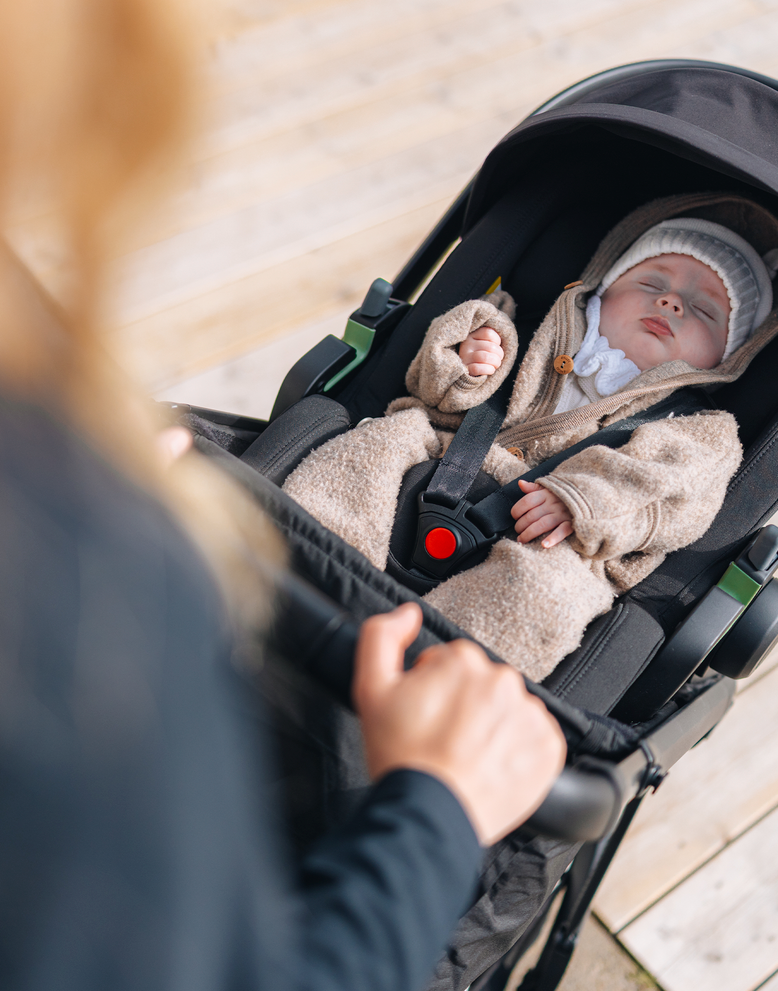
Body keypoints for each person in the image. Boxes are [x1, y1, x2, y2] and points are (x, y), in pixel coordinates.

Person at [0, 2, 565, 990]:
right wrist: (435, 814)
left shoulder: (692, 427)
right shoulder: (68, 597)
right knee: (357, 452)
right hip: (429, 439)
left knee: (546, 593)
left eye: (692, 315)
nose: (666, 315)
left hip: (552, 509)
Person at [284, 199, 778, 679]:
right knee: (377, 444)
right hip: (445, 454)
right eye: (652, 284)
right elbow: (432, 391)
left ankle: (444, 676)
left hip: (561, 539)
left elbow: (677, 494)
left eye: (705, 310)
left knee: (552, 595)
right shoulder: (526, 329)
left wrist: (589, 501)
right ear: (603, 288)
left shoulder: (701, 429)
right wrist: (468, 363)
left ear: (724, 359)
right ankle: (305, 564)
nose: (672, 302)